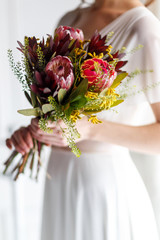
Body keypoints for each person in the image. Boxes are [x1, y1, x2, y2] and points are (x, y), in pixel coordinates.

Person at [6, 0, 160, 239]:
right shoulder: (70, 20)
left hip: (103, 188)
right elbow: (59, 110)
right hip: (57, 180)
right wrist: (36, 133)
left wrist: (90, 130)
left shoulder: (143, 26)